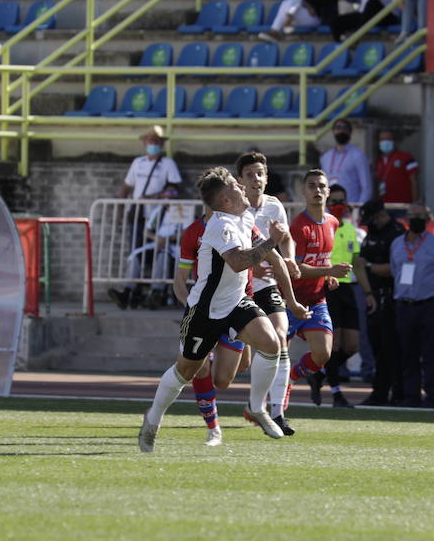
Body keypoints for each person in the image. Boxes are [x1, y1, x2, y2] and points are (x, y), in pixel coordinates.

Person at [138, 167, 290, 452]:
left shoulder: (245, 218)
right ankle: (152, 419)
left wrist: (280, 261)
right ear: (225, 200)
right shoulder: (220, 225)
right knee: (185, 371)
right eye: (235, 184)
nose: (243, 186)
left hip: (236, 303)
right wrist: (273, 241)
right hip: (204, 310)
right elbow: (237, 262)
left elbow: (262, 252)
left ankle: (257, 408)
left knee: (272, 343)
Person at [235, 151, 307, 435]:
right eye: (250, 174)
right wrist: (254, 267)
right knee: (228, 371)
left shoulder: (274, 206)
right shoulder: (234, 208)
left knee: (281, 335)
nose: (256, 179)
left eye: (260, 174)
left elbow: (286, 238)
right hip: (238, 288)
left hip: (267, 286)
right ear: (240, 180)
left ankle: (276, 412)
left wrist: (289, 258)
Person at [173, 206, 252, 446]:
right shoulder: (192, 232)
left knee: (225, 379)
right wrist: (195, 310)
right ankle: (213, 428)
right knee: (200, 369)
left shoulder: (244, 223)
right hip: (205, 311)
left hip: (236, 307)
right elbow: (179, 281)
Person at [284, 170, 352, 412]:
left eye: (321, 186)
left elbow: (322, 260)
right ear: (304, 191)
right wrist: (329, 271)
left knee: (323, 354)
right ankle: (267, 407)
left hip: (316, 299)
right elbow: (296, 269)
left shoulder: (333, 222)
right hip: (291, 300)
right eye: (311, 186)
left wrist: (327, 276)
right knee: (275, 359)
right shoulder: (299, 226)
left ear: (328, 191)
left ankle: (292, 378)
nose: (317, 190)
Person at [388, 203, 434, 408]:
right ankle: (411, 397)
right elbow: (394, 270)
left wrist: (433, 290)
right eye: (413, 215)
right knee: (408, 353)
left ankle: (433, 397)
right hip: (404, 306)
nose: (417, 219)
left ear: (428, 219)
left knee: (430, 354)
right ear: (406, 219)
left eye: (421, 216)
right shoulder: (397, 244)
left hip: (429, 305)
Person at [110, 125, 183, 309]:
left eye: (157, 141)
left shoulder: (167, 164)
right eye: (150, 141)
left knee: (160, 252)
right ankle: (131, 291)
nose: (153, 144)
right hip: (138, 215)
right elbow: (126, 187)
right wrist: (120, 211)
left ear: (162, 144)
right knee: (136, 252)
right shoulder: (138, 162)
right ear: (144, 143)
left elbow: (174, 188)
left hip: (159, 216)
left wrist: (153, 197)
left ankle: (156, 291)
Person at [353, 198, 404, 406]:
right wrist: (368, 293)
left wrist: (371, 267)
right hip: (374, 297)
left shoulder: (397, 234)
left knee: (393, 348)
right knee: (378, 348)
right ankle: (379, 393)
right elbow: (358, 264)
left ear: (380, 215)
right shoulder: (371, 235)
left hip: (392, 297)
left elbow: (394, 268)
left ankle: (399, 394)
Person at [321, 185, 361, 409]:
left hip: (347, 288)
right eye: (334, 201)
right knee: (333, 344)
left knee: (352, 345)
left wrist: (367, 292)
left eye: (341, 200)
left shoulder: (351, 229)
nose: (338, 205)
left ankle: (321, 371)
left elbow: (359, 264)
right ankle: (336, 392)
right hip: (328, 286)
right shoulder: (323, 227)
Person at [319, 117, 374, 204]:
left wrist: (358, 208)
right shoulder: (326, 157)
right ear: (333, 131)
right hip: (329, 208)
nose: (341, 131)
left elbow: (366, 186)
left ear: (350, 132)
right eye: (338, 128)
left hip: (350, 207)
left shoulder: (358, 155)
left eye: (345, 128)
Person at [373, 128, 419, 204]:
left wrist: (414, 203)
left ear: (394, 142)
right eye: (382, 139)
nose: (385, 142)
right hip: (385, 206)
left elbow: (414, 181)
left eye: (388, 139)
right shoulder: (378, 161)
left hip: (403, 205)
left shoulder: (406, 157)